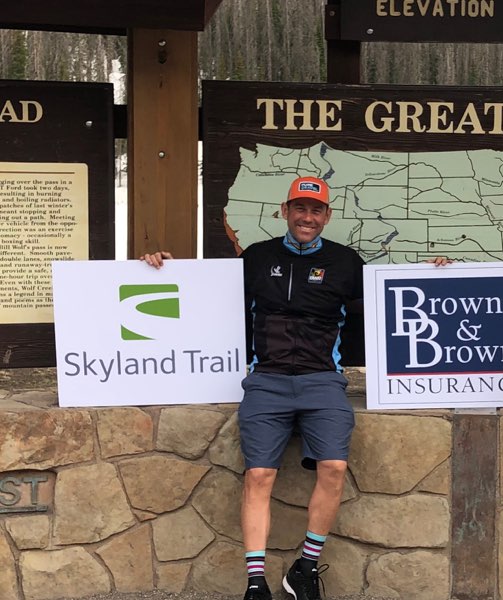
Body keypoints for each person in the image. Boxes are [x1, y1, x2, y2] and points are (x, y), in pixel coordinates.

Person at [143, 176, 448, 600]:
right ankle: (255, 584)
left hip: (322, 379)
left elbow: (393, 296)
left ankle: (305, 568)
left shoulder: (345, 262)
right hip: (266, 381)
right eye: (300, 208)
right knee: (259, 474)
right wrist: (162, 265)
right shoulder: (256, 257)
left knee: (335, 468)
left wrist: (437, 276)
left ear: (327, 215)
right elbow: (197, 290)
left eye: (316, 209)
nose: (308, 217)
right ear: (285, 211)